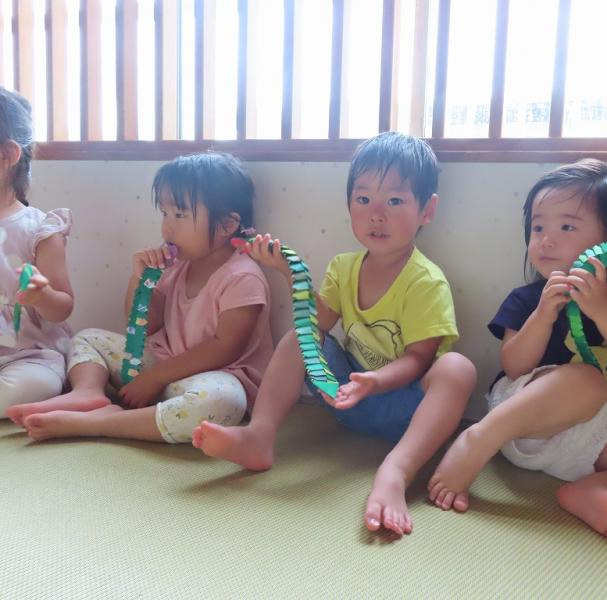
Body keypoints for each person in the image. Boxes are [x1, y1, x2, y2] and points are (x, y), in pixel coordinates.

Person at [193, 132, 476, 537]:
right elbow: (315, 328)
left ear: (426, 210)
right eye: (363, 199)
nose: (376, 214)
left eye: (394, 201)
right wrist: (289, 272)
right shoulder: (343, 268)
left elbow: (419, 360)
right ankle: (259, 436)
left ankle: (395, 471)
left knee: (457, 368)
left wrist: (374, 381)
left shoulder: (425, 281)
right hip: (345, 397)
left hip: (407, 411)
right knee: (301, 336)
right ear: (348, 206)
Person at [428, 159, 607, 540]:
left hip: (595, 436)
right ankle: (477, 440)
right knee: (589, 381)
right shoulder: (528, 298)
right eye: (538, 227)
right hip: (520, 422)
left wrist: (605, 311)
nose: (546, 239)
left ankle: (595, 489)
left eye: (567, 227)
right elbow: (513, 366)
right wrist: (542, 317)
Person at [14, 153, 274, 445]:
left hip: (215, 377)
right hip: (164, 366)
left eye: (180, 215)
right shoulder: (176, 265)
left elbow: (224, 348)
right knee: (87, 338)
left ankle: (101, 423)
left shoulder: (242, 277)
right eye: (164, 213)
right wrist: (140, 279)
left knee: (223, 403)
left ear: (227, 225)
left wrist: (156, 377)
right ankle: (87, 392)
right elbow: (143, 326)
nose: (167, 227)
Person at [0, 87, 74, 418]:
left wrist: (42, 295)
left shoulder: (39, 229)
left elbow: (63, 307)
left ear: (8, 156)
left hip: (30, 356)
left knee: (31, 385)